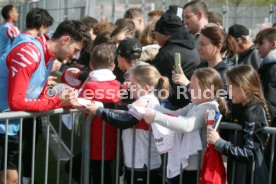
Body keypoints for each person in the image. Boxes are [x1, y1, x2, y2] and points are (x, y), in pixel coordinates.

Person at [0, 20, 91, 184]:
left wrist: (66, 100)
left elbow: (39, 98)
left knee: (9, 178)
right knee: (10, 179)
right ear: (65, 40)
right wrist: (57, 102)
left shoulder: (48, 57)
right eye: (75, 50)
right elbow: (17, 102)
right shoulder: (29, 52)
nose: (75, 56)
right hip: (4, 122)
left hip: (8, 124)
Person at [82, 65, 167, 184]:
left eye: (133, 85)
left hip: (144, 163)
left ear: (146, 88)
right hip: (137, 161)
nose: (130, 87)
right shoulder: (144, 99)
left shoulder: (147, 100)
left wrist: (99, 111)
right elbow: (126, 111)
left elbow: (126, 120)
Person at [141, 68, 227, 184]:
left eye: (193, 88)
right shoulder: (195, 105)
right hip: (187, 167)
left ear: (207, 92)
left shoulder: (209, 107)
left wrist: (156, 116)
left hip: (196, 168)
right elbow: (175, 114)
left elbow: (188, 125)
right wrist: (151, 105)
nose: (189, 90)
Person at [207, 65, 270, 184]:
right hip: (238, 174)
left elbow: (248, 153)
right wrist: (216, 119)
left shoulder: (254, 111)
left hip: (251, 176)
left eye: (231, 87)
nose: (228, 91)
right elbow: (229, 135)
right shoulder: (238, 106)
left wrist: (219, 143)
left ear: (244, 87)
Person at [151, 12, 201, 108]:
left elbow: (151, 78)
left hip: (175, 104)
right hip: (193, 102)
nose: (155, 37)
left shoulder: (166, 53)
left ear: (166, 34)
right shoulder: (192, 48)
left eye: (155, 33)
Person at [255, 28, 276, 183]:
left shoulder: (272, 68)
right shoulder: (268, 66)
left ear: (273, 44)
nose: (258, 47)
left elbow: (270, 102)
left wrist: (264, 122)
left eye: (261, 43)